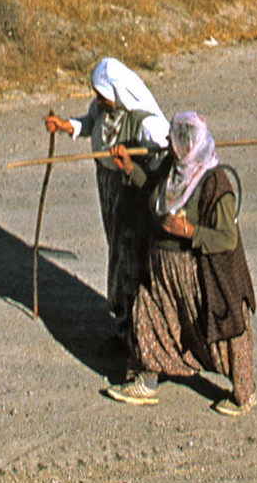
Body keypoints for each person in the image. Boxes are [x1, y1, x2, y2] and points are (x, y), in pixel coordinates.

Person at [103, 109, 256, 416]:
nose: (170, 145)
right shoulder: (172, 170)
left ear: (191, 144)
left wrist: (188, 231)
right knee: (147, 313)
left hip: (197, 277)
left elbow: (227, 238)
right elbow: (153, 193)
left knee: (222, 330)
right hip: (162, 274)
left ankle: (244, 394)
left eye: (177, 140)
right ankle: (146, 381)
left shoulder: (215, 183)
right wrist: (131, 168)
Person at [43, 57, 171, 345]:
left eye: (102, 95)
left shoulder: (141, 120)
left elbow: (163, 147)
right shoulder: (102, 107)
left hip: (130, 192)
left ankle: (137, 329)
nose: (98, 100)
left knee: (129, 253)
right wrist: (65, 126)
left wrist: (132, 160)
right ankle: (123, 321)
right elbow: (90, 124)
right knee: (116, 248)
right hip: (108, 188)